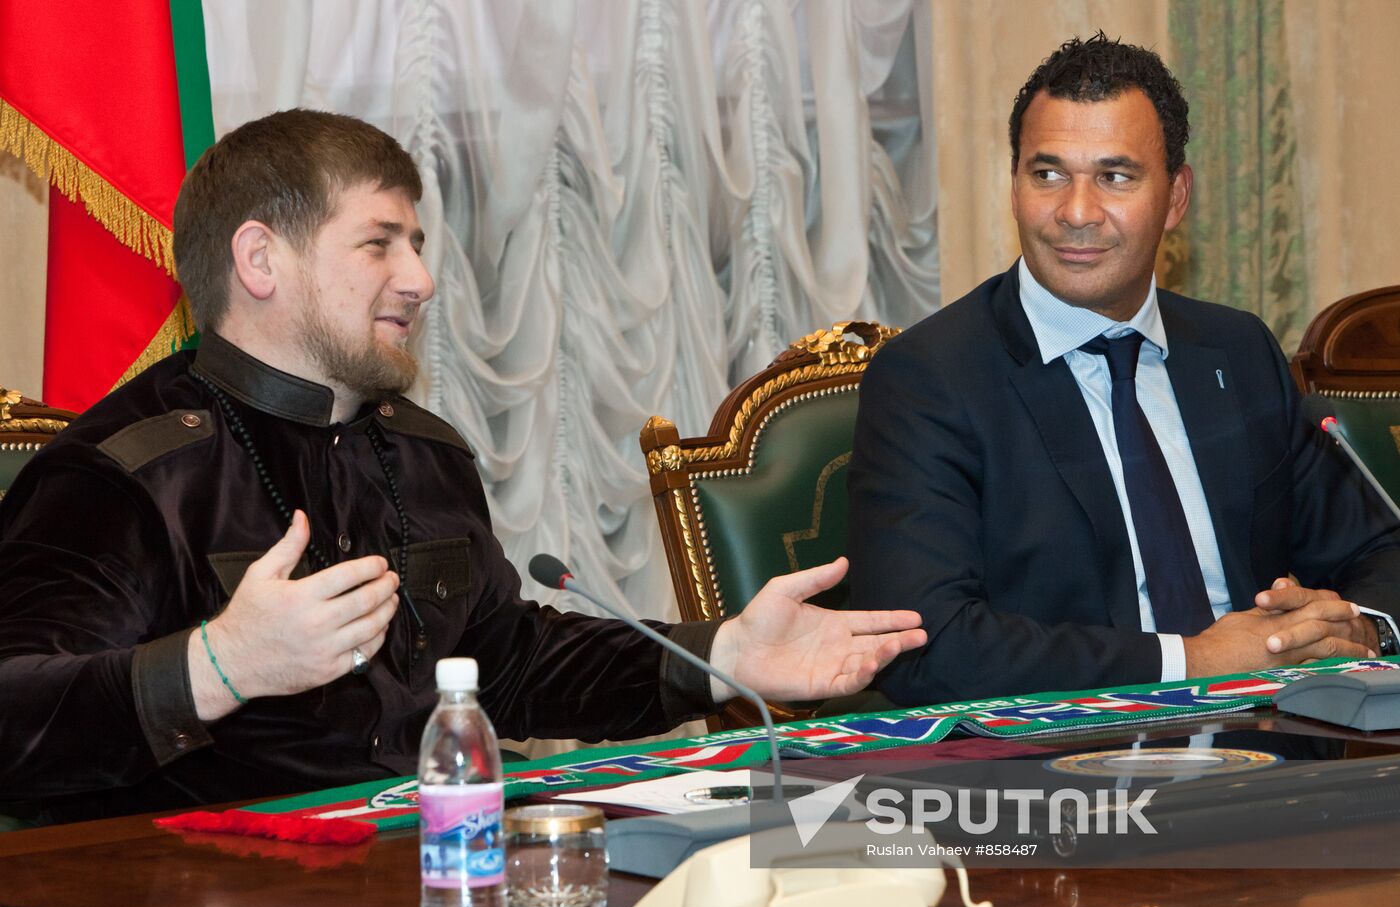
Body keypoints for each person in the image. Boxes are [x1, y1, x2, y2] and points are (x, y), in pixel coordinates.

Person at [0, 109, 925, 823]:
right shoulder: (119, 474)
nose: (421, 279)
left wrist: (719, 656)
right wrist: (218, 667)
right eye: (379, 243)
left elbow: (507, 662)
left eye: (418, 244)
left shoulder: (423, 448)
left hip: (439, 865)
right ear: (259, 258)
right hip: (221, 903)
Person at [848, 32, 1400, 706]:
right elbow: (929, 644)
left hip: (1274, 746)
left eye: (1115, 176)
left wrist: (1356, 632)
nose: (1076, 213)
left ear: (1174, 199)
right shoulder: (930, 378)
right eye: (1047, 174)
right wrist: (1193, 660)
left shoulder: (1236, 350)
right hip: (1061, 779)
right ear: (1015, 183)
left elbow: (1380, 550)